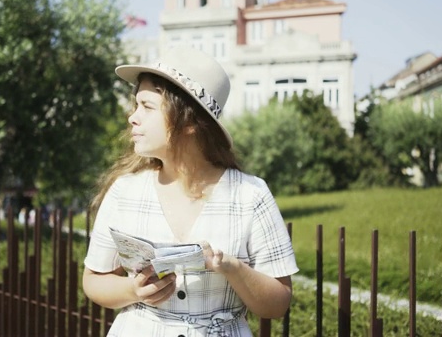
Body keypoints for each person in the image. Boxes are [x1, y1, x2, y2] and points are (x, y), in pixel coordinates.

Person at [82, 46, 298, 336]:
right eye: (136, 105)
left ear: (188, 121)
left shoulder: (251, 195)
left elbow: (278, 303)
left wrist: (231, 268)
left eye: (146, 106)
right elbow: (93, 281)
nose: (132, 118)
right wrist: (133, 289)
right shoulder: (125, 191)